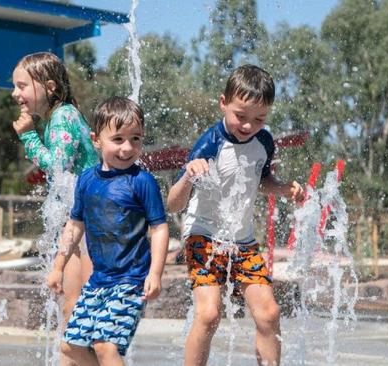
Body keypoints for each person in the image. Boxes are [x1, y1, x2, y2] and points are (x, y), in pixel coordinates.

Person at [167, 65, 304, 366]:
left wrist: (281, 189)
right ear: (223, 103)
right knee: (209, 314)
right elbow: (173, 205)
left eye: (259, 118)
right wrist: (189, 175)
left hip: (243, 242)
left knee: (269, 314)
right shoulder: (210, 143)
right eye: (241, 116)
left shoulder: (264, 142)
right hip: (203, 236)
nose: (248, 125)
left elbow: (261, 180)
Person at [47, 96, 170, 366]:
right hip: (98, 283)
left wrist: (155, 273)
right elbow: (74, 225)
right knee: (71, 348)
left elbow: (159, 228)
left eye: (135, 139)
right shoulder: (87, 180)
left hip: (130, 281)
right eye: (118, 139)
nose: (128, 148)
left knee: (105, 347)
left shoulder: (142, 181)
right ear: (96, 140)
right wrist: (58, 267)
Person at [11, 52, 99, 353]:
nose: (15, 93)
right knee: (71, 311)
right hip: (80, 222)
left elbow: (57, 165)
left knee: (85, 315)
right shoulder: (60, 116)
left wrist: (28, 138)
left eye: (22, 86)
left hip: (92, 224)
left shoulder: (62, 116)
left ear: (49, 87)